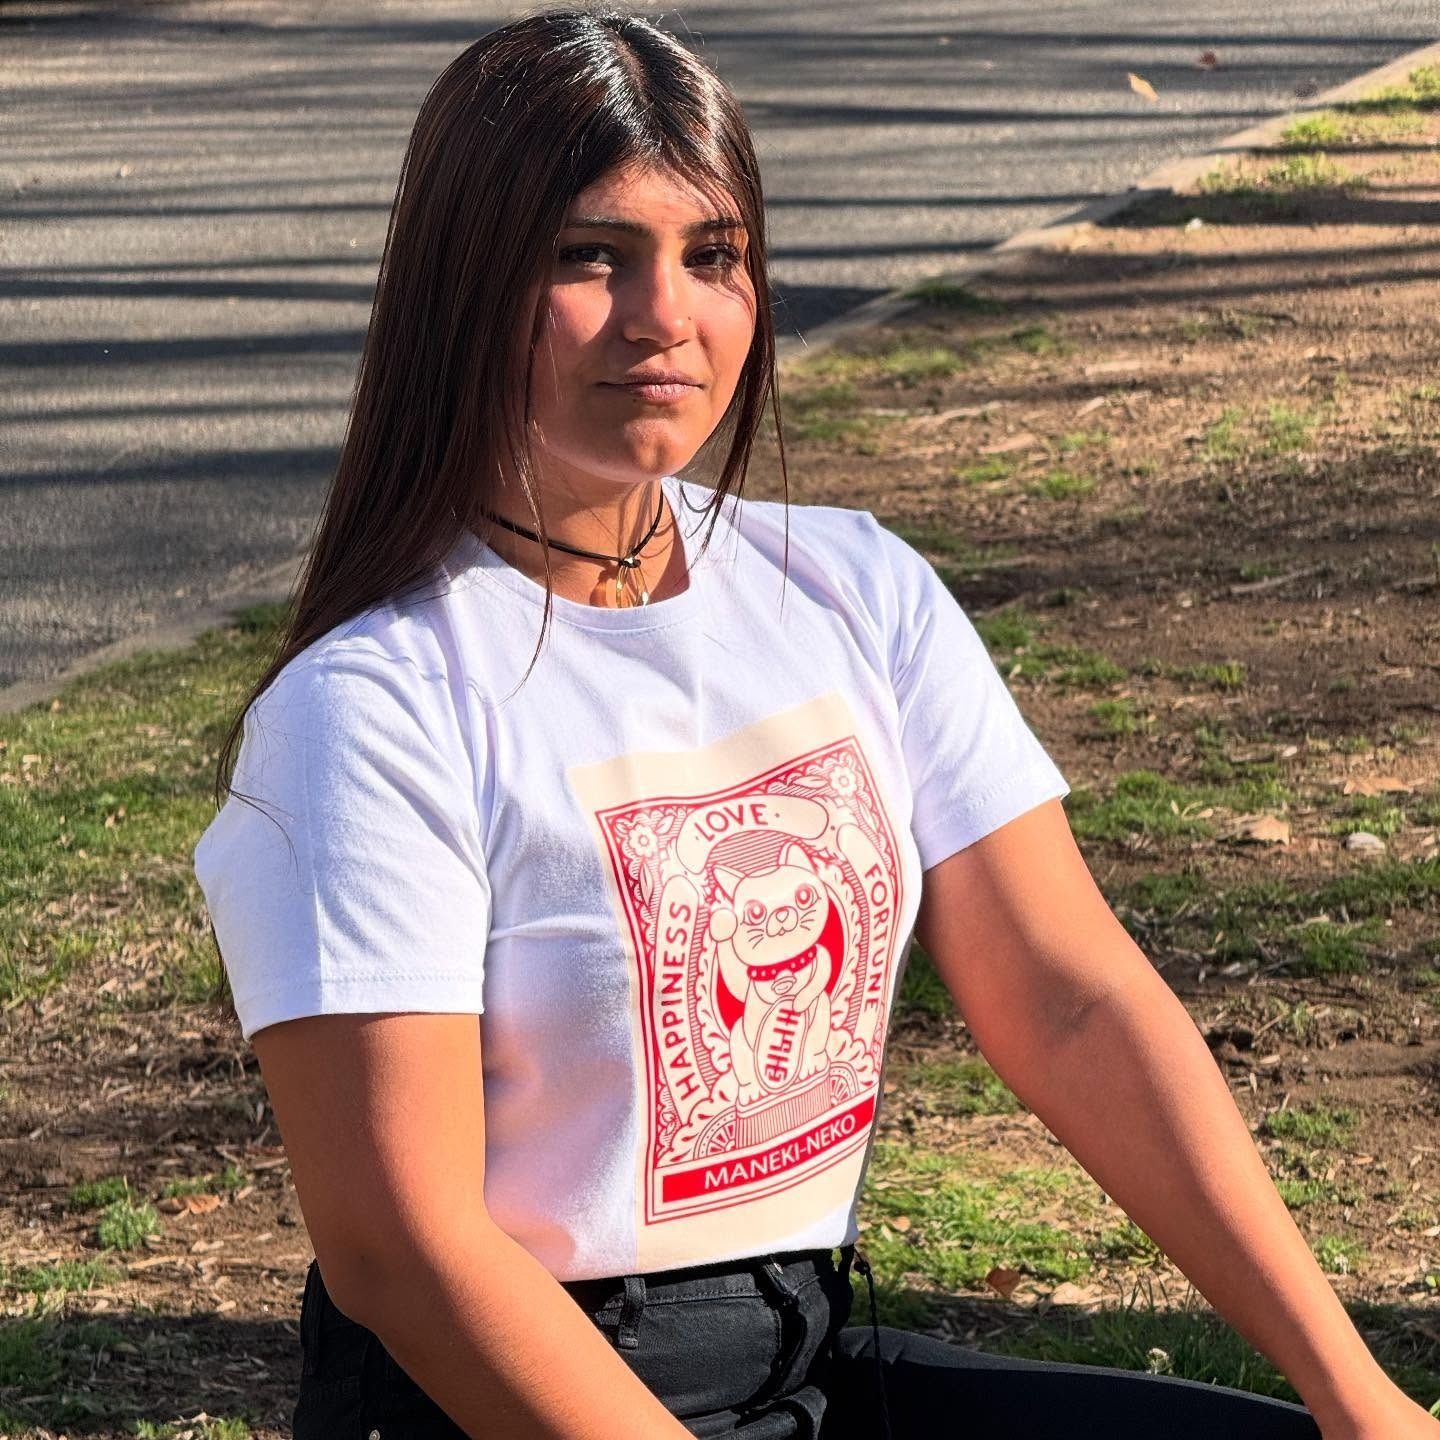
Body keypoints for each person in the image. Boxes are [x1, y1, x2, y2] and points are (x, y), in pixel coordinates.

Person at [192, 10, 1439, 1439]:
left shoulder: (853, 587)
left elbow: (1068, 994)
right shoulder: (373, 711)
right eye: (589, 257)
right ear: (465, 288)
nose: (666, 317)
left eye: (712, 256)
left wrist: (1359, 1397)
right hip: (505, 1395)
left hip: (801, 1357)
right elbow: (404, 1250)